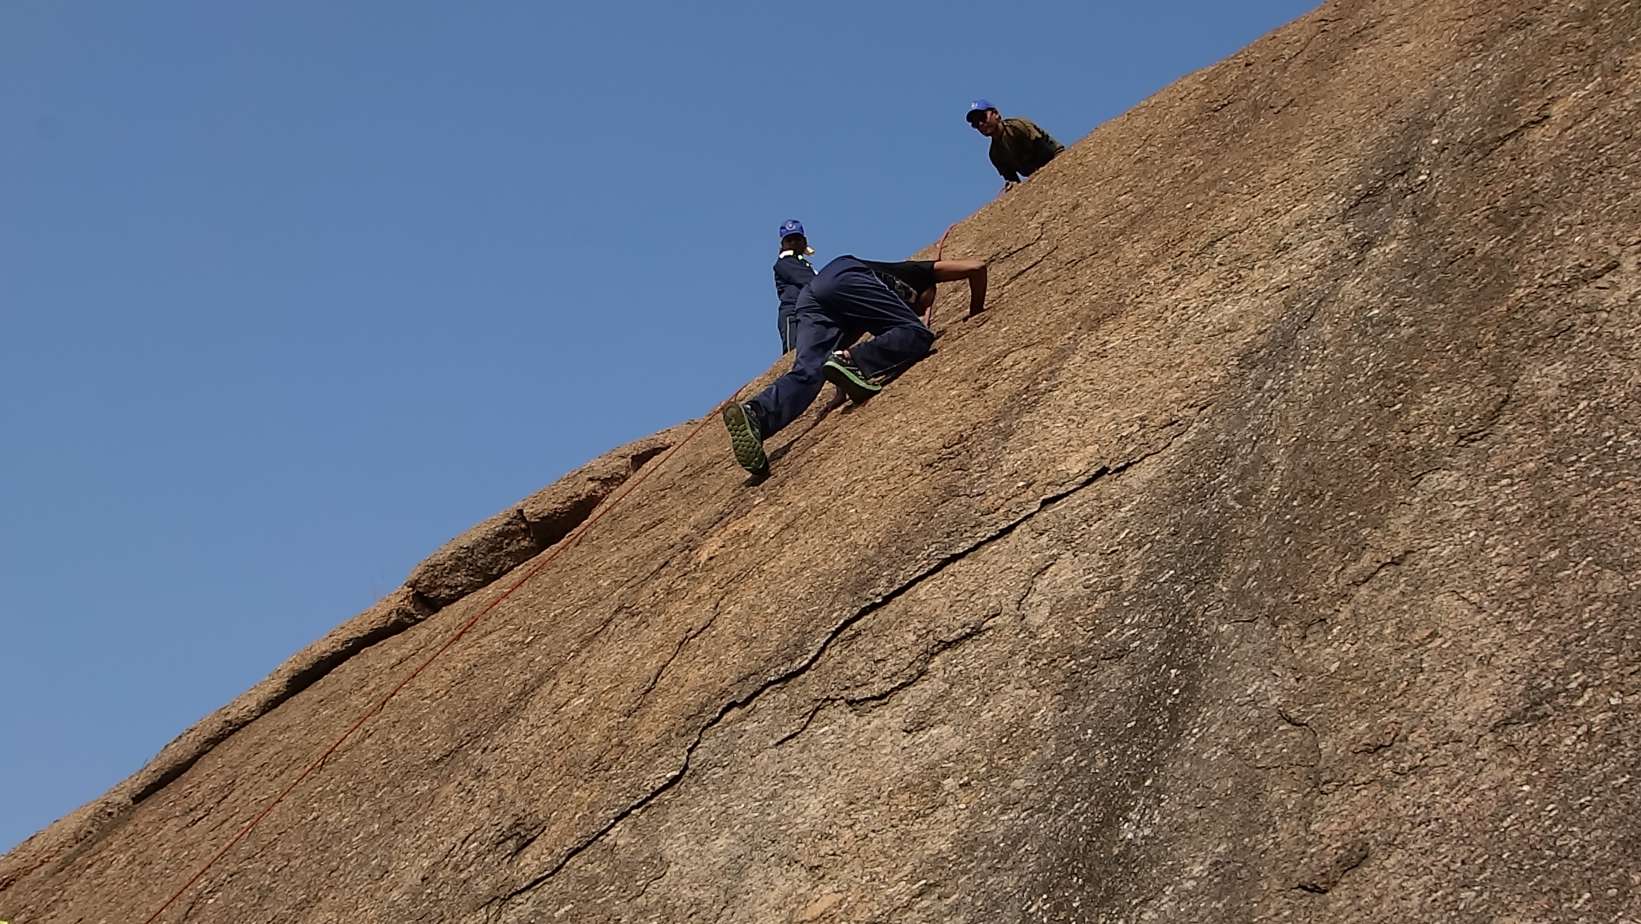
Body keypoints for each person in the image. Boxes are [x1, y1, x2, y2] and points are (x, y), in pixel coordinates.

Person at [722, 254, 988, 475]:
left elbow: (839, 349)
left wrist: (840, 385)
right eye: (925, 304)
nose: (922, 311)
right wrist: (976, 313)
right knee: (917, 333)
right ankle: (854, 364)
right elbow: (976, 267)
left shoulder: (870, 306)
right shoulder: (916, 273)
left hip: (814, 295)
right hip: (847, 274)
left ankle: (756, 414)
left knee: (809, 372)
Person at [966, 99, 1064, 192]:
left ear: (995, 114)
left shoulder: (1017, 127)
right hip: (1037, 179)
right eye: (975, 123)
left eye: (982, 117)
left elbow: (1045, 150)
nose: (980, 124)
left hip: (1057, 160)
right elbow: (1013, 182)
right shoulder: (995, 154)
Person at [773, 219, 817, 353]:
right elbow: (810, 280)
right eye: (789, 240)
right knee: (794, 353)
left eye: (797, 239)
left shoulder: (804, 263)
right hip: (793, 315)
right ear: (783, 244)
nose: (793, 243)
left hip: (809, 313)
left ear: (804, 241)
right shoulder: (785, 263)